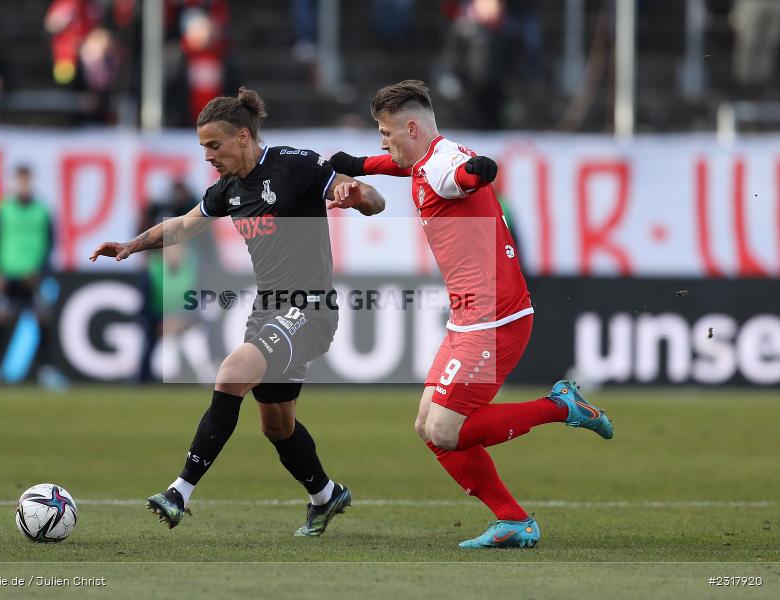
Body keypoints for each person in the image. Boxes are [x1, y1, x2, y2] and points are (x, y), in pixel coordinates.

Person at [329, 80, 613, 549]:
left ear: (412, 127)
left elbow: (463, 177)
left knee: (445, 429)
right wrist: (352, 165)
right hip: (469, 319)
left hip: (495, 321)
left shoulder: (444, 166)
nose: (382, 142)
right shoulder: (424, 157)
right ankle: (513, 520)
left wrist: (480, 172)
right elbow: (388, 164)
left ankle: (562, 406)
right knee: (427, 427)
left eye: (385, 132)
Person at [91, 87, 386, 536]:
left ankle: (179, 492)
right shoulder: (228, 190)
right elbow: (184, 225)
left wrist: (357, 195)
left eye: (215, 145)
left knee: (231, 373)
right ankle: (326, 495)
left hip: (310, 308)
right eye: (203, 147)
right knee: (277, 426)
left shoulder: (297, 163)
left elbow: (372, 198)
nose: (208, 156)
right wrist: (133, 245)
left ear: (243, 137)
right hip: (267, 309)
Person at [0, 165, 67, 392]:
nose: (23, 185)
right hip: (7, 275)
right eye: (20, 181)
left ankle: (47, 371)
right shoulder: (4, 209)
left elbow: (50, 244)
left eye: (27, 181)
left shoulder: (42, 210)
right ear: (14, 182)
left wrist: (42, 272)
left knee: (42, 320)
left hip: (32, 277)